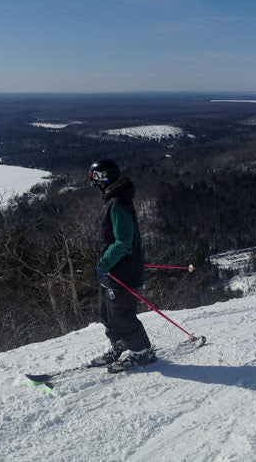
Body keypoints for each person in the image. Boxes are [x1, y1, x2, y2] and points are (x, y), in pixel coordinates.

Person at [87, 158, 153, 369]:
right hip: (111, 271)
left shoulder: (118, 203)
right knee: (107, 315)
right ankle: (120, 344)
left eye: (95, 178)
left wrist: (105, 262)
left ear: (104, 178)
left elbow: (123, 242)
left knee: (122, 316)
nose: (94, 182)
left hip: (121, 271)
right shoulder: (112, 200)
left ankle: (141, 350)